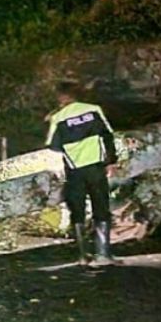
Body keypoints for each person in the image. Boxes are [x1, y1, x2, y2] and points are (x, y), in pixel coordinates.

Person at [45, 81, 119, 265]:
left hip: (74, 170)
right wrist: (111, 162)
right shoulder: (93, 110)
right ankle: (103, 255)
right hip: (95, 167)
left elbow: (53, 146)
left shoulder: (59, 117)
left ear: (62, 97)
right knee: (101, 206)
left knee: (76, 209)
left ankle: (82, 256)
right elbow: (107, 135)